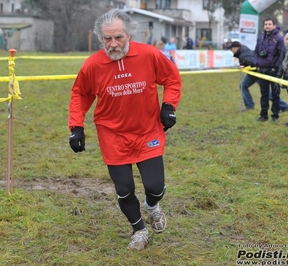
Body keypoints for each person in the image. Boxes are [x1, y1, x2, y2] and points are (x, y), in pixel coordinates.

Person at [68, 9, 181, 250]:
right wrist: (76, 126)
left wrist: (169, 106)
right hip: (113, 135)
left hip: (147, 131)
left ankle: (152, 206)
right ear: (101, 39)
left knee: (155, 186)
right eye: (107, 39)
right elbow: (80, 94)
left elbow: (172, 79)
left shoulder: (149, 55)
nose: (113, 44)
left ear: (129, 34)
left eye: (118, 37)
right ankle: (139, 230)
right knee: (124, 189)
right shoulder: (93, 65)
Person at [230, 41, 288, 113]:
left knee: (267, 93)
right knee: (243, 86)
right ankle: (249, 105)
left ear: (236, 48)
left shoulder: (243, 55)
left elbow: (254, 63)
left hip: (258, 74)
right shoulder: (244, 51)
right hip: (252, 74)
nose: (231, 51)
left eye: (231, 49)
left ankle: (285, 107)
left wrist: (247, 67)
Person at [254, 18, 284, 122]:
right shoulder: (260, 37)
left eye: (269, 24)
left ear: (274, 26)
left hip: (273, 71)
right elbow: (256, 52)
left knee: (275, 94)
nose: (267, 26)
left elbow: (281, 55)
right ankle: (263, 115)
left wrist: (275, 67)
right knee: (264, 94)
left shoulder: (279, 38)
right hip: (262, 70)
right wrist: (257, 64)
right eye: (265, 24)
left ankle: (275, 116)